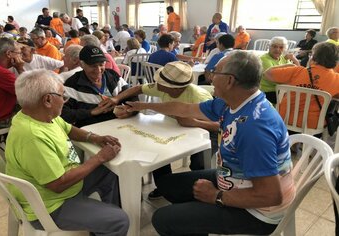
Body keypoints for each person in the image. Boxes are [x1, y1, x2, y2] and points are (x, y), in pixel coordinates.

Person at [126, 50, 294, 235]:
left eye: (215, 72)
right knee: (167, 185)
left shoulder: (254, 127)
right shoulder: (233, 102)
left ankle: (197, 219)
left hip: (258, 212)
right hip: (236, 179)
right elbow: (183, 108)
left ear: (229, 81)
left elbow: (270, 196)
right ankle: (197, 221)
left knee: (163, 219)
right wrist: (141, 105)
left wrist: (216, 196)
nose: (210, 77)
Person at [5, 69, 129, 235]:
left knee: (110, 171)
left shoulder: (40, 114)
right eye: (63, 96)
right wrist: (99, 157)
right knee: (120, 221)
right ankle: (108, 224)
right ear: (48, 99)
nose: (65, 101)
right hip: (50, 205)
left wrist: (95, 138)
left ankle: (101, 225)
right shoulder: (31, 136)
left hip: (65, 184)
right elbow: (58, 184)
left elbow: (69, 129)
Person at [101, 61, 217, 199]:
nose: (157, 85)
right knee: (156, 151)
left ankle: (197, 190)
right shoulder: (163, 87)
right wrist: (116, 98)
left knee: (199, 162)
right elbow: (138, 88)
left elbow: (219, 125)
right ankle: (164, 185)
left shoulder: (199, 97)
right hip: (174, 127)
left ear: (174, 88)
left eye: (161, 83)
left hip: (204, 132)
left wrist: (194, 122)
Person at [264, 42, 339, 129]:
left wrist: (288, 65)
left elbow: (267, 74)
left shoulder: (297, 71)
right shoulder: (336, 79)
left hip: (284, 119)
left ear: (313, 57)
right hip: (313, 125)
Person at [61, 45, 137, 127]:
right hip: (90, 128)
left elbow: (133, 96)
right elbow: (63, 114)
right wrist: (91, 112)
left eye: (101, 64)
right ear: (81, 64)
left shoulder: (113, 76)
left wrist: (129, 109)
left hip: (118, 124)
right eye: (93, 66)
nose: (98, 70)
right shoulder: (72, 84)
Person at [260, 36, 300, 104]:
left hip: (281, 90)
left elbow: (298, 72)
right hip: (268, 92)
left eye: (281, 47)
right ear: (269, 47)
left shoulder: (282, 58)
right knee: (296, 99)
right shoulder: (264, 59)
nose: (277, 49)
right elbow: (275, 79)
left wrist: (294, 60)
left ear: (284, 49)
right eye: (274, 46)